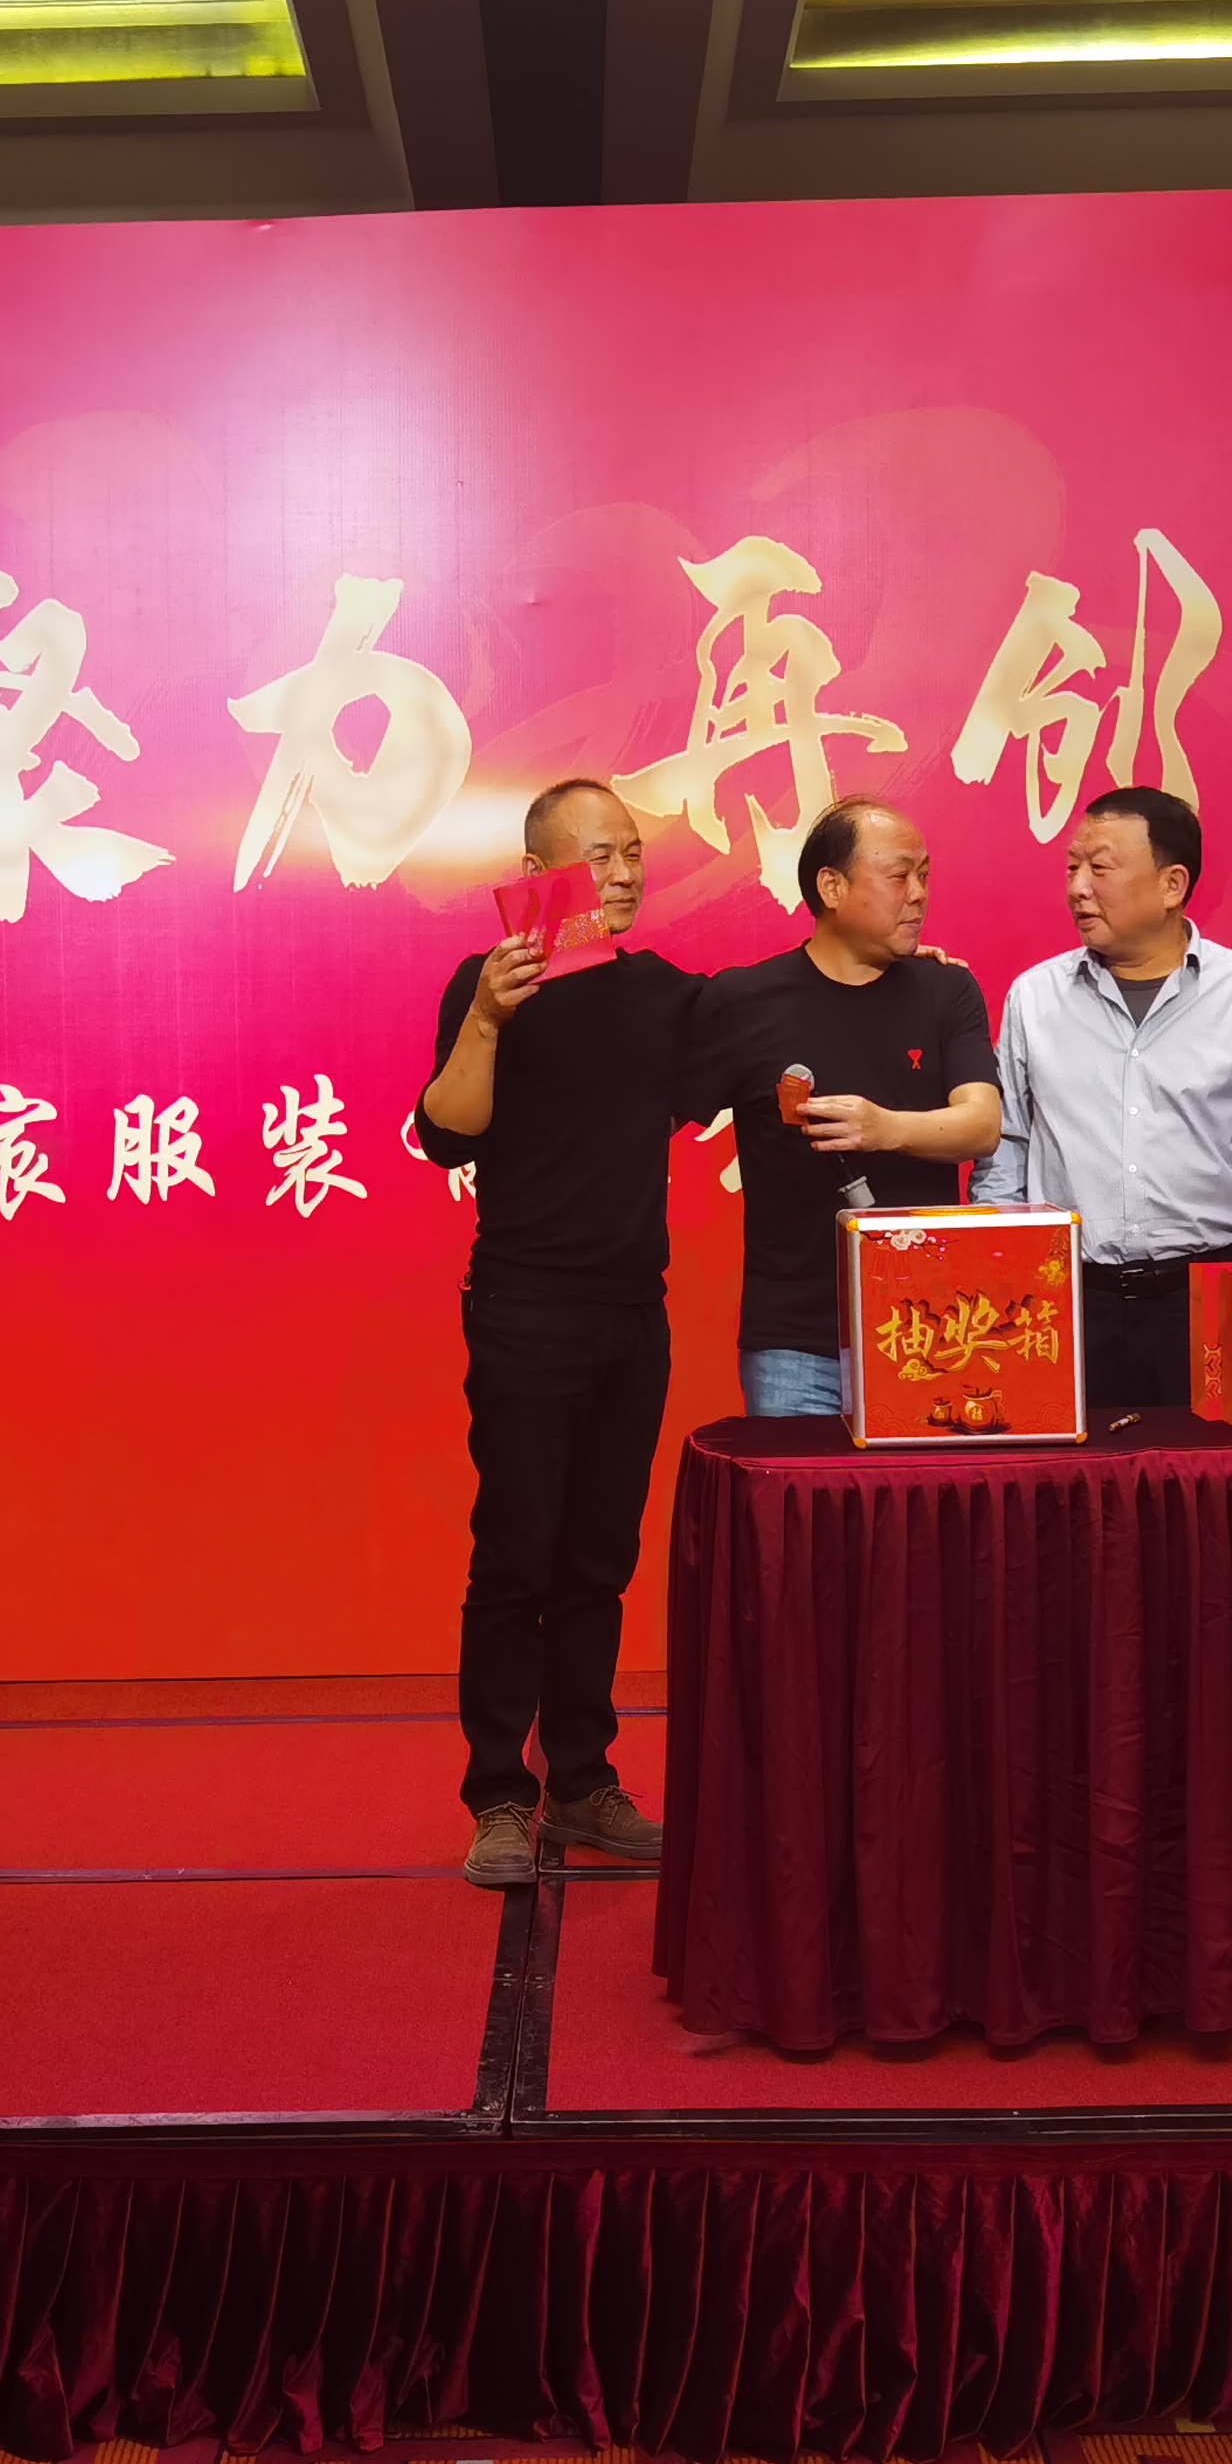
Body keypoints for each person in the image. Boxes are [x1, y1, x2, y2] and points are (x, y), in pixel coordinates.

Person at [418, 779, 688, 1890]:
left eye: (631, 852)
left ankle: (582, 1782)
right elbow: (446, 1133)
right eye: (598, 855)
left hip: (633, 1314)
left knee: (597, 1563)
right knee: (514, 1557)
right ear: (540, 875)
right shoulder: (488, 985)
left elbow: (768, 1045)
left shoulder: (665, 994)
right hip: (525, 1310)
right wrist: (487, 1016)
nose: (621, 873)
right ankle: (497, 1795)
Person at [973, 785, 1232, 1408]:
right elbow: (1007, 1149)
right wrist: (999, 1279)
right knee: (1071, 1470)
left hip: (1204, 1300)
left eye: (1100, 868)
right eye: (1072, 867)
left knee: (1208, 1468)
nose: (1078, 888)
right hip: (1065, 1303)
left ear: (1172, 884)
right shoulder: (1034, 998)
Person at [680, 798, 1001, 1419]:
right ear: (831, 886)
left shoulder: (946, 989)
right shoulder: (744, 1001)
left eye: (924, 876)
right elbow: (654, 1116)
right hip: (795, 1343)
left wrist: (884, 1129)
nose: (918, 894)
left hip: (930, 1331)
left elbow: (981, 1125)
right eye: (899, 875)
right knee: (794, 1487)